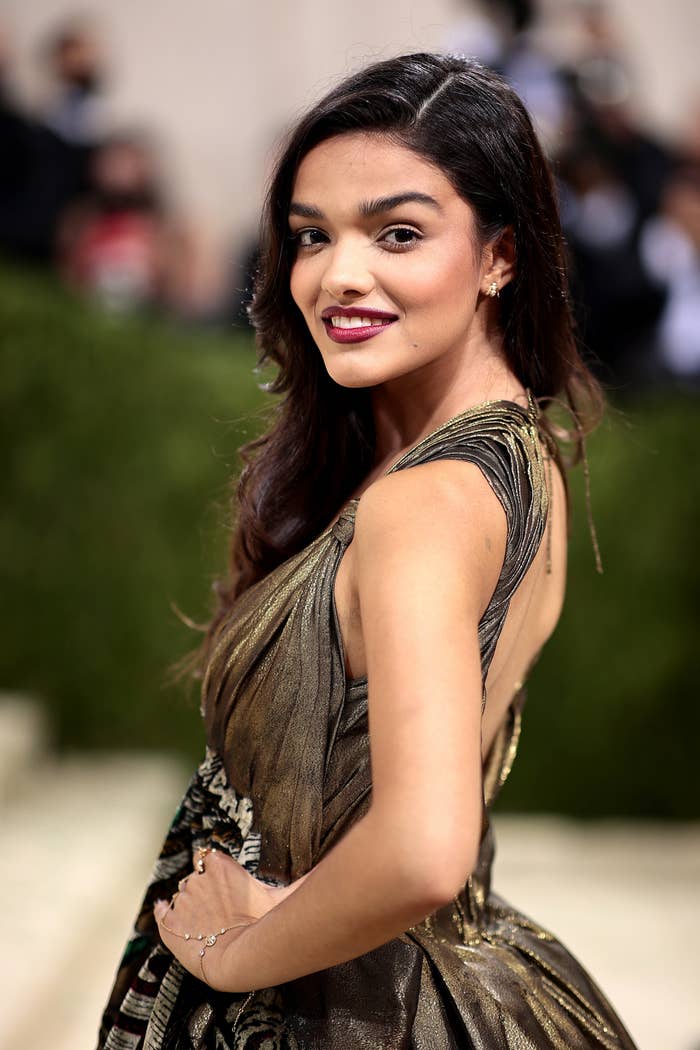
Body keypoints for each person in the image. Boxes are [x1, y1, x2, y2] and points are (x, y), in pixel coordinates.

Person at [97, 52, 638, 1048]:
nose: (338, 274)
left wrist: (230, 958)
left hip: (336, 1011)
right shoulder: (523, 458)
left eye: (397, 232)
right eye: (312, 235)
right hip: (434, 983)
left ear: (498, 256)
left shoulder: (424, 502)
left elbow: (425, 851)